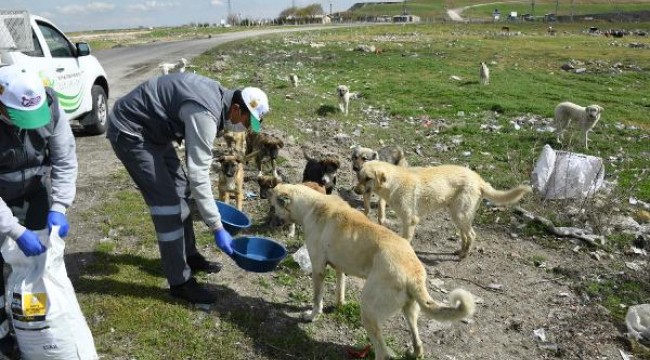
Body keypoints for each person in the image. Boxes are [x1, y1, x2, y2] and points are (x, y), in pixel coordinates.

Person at [106, 72, 269, 304]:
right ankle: (180, 282)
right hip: (132, 131)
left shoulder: (218, 99)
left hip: (155, 132)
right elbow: (199, 175)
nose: (243, 127)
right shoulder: (204, 113)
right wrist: (216, 226)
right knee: (168, 207)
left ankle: (190, 256)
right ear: (235, 108)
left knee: (181, 190)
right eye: (245, 121)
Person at [0, 65, 78, 356]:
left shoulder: (51, 104)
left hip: (34, 187)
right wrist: (14, 229)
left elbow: (65, 157)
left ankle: (39, 322)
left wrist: (60, 205)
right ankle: (2, 334)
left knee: (43, 258)